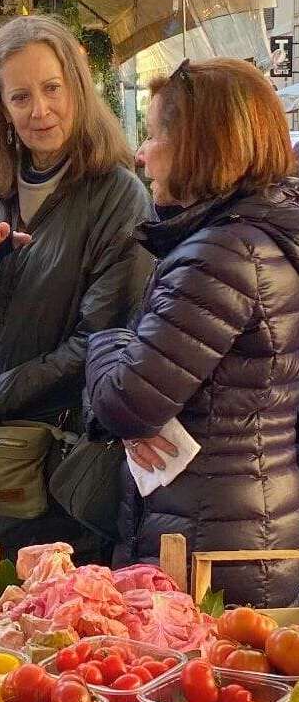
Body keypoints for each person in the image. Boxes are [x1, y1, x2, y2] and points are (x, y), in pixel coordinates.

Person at [0, 14, 152, 563]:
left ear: (77, 87)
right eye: (20, 96)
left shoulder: (117, 195)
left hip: (61, 464)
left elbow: (98, 341)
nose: (40, 110)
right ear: (0, 107)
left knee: (47, 629)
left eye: (52, 89)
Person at [87, 58, 299, 608]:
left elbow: (125, 403)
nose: (141, 153)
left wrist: (105, 341)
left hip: (212, 543)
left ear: (199, 147)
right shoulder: (259, 236)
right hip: (246, 526)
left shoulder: (221, 254)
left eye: (154, 135)